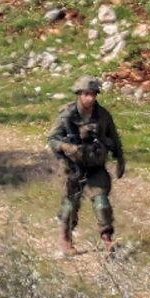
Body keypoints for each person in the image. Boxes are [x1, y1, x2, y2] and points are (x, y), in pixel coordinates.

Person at [48, 76, 125, 255]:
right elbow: (52, 139)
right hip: (72, 167)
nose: (90, 98)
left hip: (95, 167)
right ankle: (66, 239)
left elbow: (114, 138)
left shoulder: (103, 115)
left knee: (102, 203)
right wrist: (68, 147)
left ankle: (107, 239)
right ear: (79, 94)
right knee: (70, 205)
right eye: (86, 94)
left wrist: (120, 160)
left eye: (93, 94)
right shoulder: (67, 115)